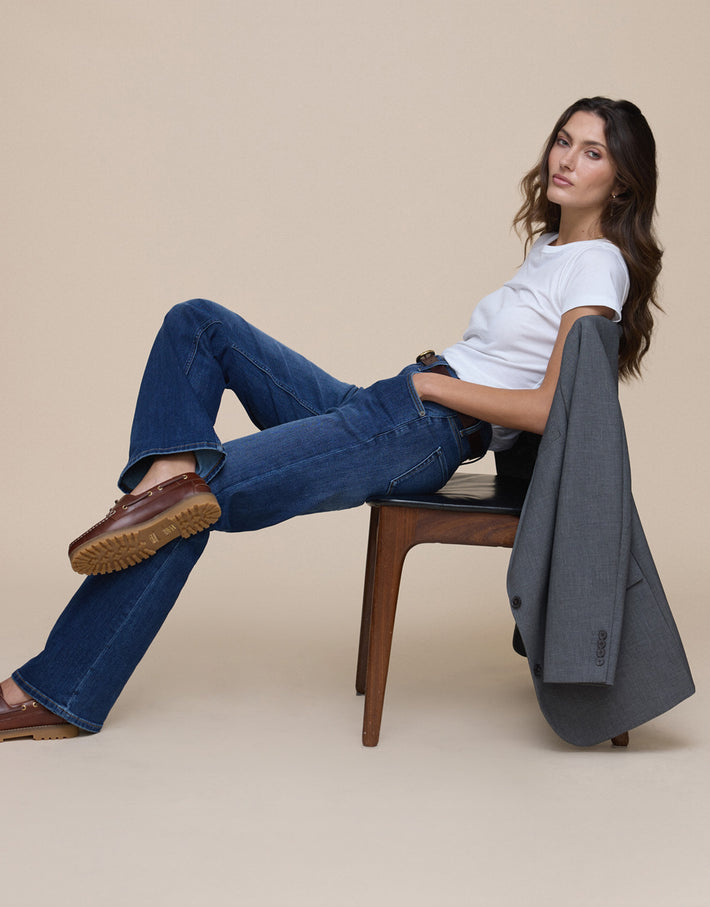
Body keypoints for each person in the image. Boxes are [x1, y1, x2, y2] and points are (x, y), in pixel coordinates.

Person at [0, 96, 662, 742]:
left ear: (622, 183)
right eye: (564, 140)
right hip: (390, 405)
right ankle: (165, 478)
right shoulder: (553, 247)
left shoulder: (597, 266)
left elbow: (551, 406)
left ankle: (59, 687)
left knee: (192, 503)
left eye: (592, 151)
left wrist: (437, 387)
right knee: (198, 325)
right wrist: (425, 384)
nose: (567, 158)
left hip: (424, 426)